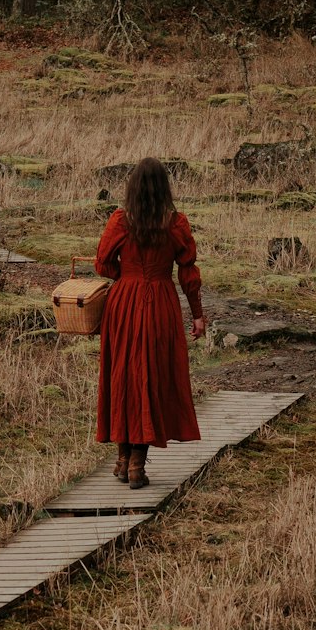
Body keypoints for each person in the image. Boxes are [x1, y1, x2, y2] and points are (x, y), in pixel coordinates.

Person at [94, 157, 206, 490]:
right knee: (150, 378)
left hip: (123, 304)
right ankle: (134, 466)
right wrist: (197, 314)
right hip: (160, 305)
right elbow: (189, 275)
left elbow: (102, 264)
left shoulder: (120, 220)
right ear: (164, 187)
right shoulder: (176, 223)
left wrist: (124, 277)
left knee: (123, 376)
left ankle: (124, 458)